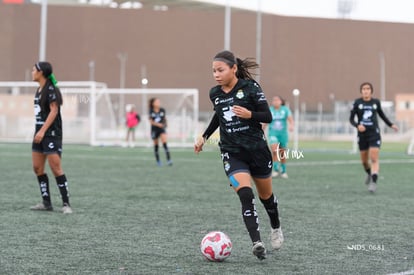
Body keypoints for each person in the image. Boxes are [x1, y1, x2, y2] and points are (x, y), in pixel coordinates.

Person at [194, 50, 284, 260]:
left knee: (266, 198)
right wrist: (204, 137)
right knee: (245, 194)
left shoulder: (250, 88)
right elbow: (218, 116)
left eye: (220, 70)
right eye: (213, 71)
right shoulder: (214, 93)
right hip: (232, 152)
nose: (216, 74)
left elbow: (268, 116)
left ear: (233, 69)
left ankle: (276, 227)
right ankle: (257, 242)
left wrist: (250, 114)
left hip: (257, 151)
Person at [30, 61, 72, 214]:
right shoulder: (39, 90)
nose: (32, 71)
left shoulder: (51, 89)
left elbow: (54, 111)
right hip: (39, 134)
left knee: (55, 168)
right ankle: (46, 203)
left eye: (34, 69)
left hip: (51, 134)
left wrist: (42, 131)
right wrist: (38, 132)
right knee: (37, 168)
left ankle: (66, 204)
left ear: (41, 72)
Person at [349, 82, 398, 193]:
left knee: (374, 158)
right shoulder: (357, 103)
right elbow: (351, 119)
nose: (366, 90)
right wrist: (358, 126)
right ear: (361, 91)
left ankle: (374, 182)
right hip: (362, 135)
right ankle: (369, 173)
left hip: (374, 134)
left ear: (371, 91)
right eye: (364, 89)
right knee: (364, 162)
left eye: (368, 89)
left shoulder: (375, 102)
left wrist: (391, 125)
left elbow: (382, 115)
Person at [266, 96, 294, 178]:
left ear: (281, 101)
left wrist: (291, 125)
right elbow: (266, 120)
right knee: (274, 151)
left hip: (283, 134)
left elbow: (290, 119)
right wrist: (261, 128)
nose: (275, 101)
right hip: (273, 133)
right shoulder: (270, 110)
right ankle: (275, 169)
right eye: (274, 100)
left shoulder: (285, 109)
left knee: (282, 153)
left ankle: (283, 170)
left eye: (277, 100)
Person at [149, 98, 172, 166]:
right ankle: (158, 161)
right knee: (156, 145)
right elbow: (151, 121)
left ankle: (169, 160)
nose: (158, 102)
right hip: (154, 129)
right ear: (153, 103)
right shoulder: (151, 111)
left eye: (159, 101)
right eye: (157, 102)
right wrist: (158, 124)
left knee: (165, 143)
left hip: (162, 129)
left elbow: (164, 118)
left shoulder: (162, 110)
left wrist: (166, 123)